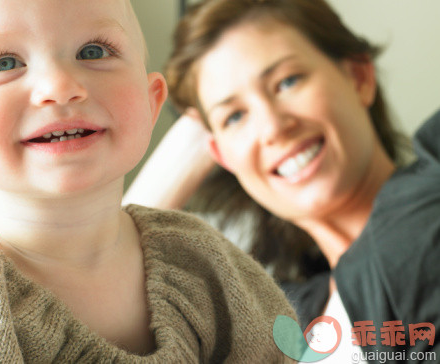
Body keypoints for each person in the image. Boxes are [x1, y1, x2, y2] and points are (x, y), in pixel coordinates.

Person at [0, 0, 296, 362]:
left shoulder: (211, 266)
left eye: (92, 51)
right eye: (4, 63)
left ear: (151, 102)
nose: (60, 86)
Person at [125, 0, 439, 361]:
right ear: (222, 156)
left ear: (359, 78)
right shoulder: (282, 318)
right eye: (235, 116)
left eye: (288, 81)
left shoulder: (428, 203)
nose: (273, 127)